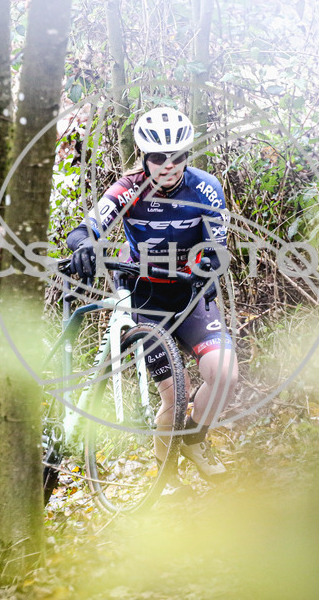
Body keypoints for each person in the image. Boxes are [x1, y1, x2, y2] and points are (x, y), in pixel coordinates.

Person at [65, 107, 238, 481]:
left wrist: (206, 267)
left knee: (224, 374)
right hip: (144, 297)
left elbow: (218, 248)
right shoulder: (128, 189)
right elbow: (87, 228)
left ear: (187, 156)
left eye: (177, 156)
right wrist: (83, 246)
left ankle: (194, 440)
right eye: (159, 157)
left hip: (190, 296)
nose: (168, 165)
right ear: (144, 157)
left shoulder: (206, 188)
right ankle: (165, 477)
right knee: (175, 396)